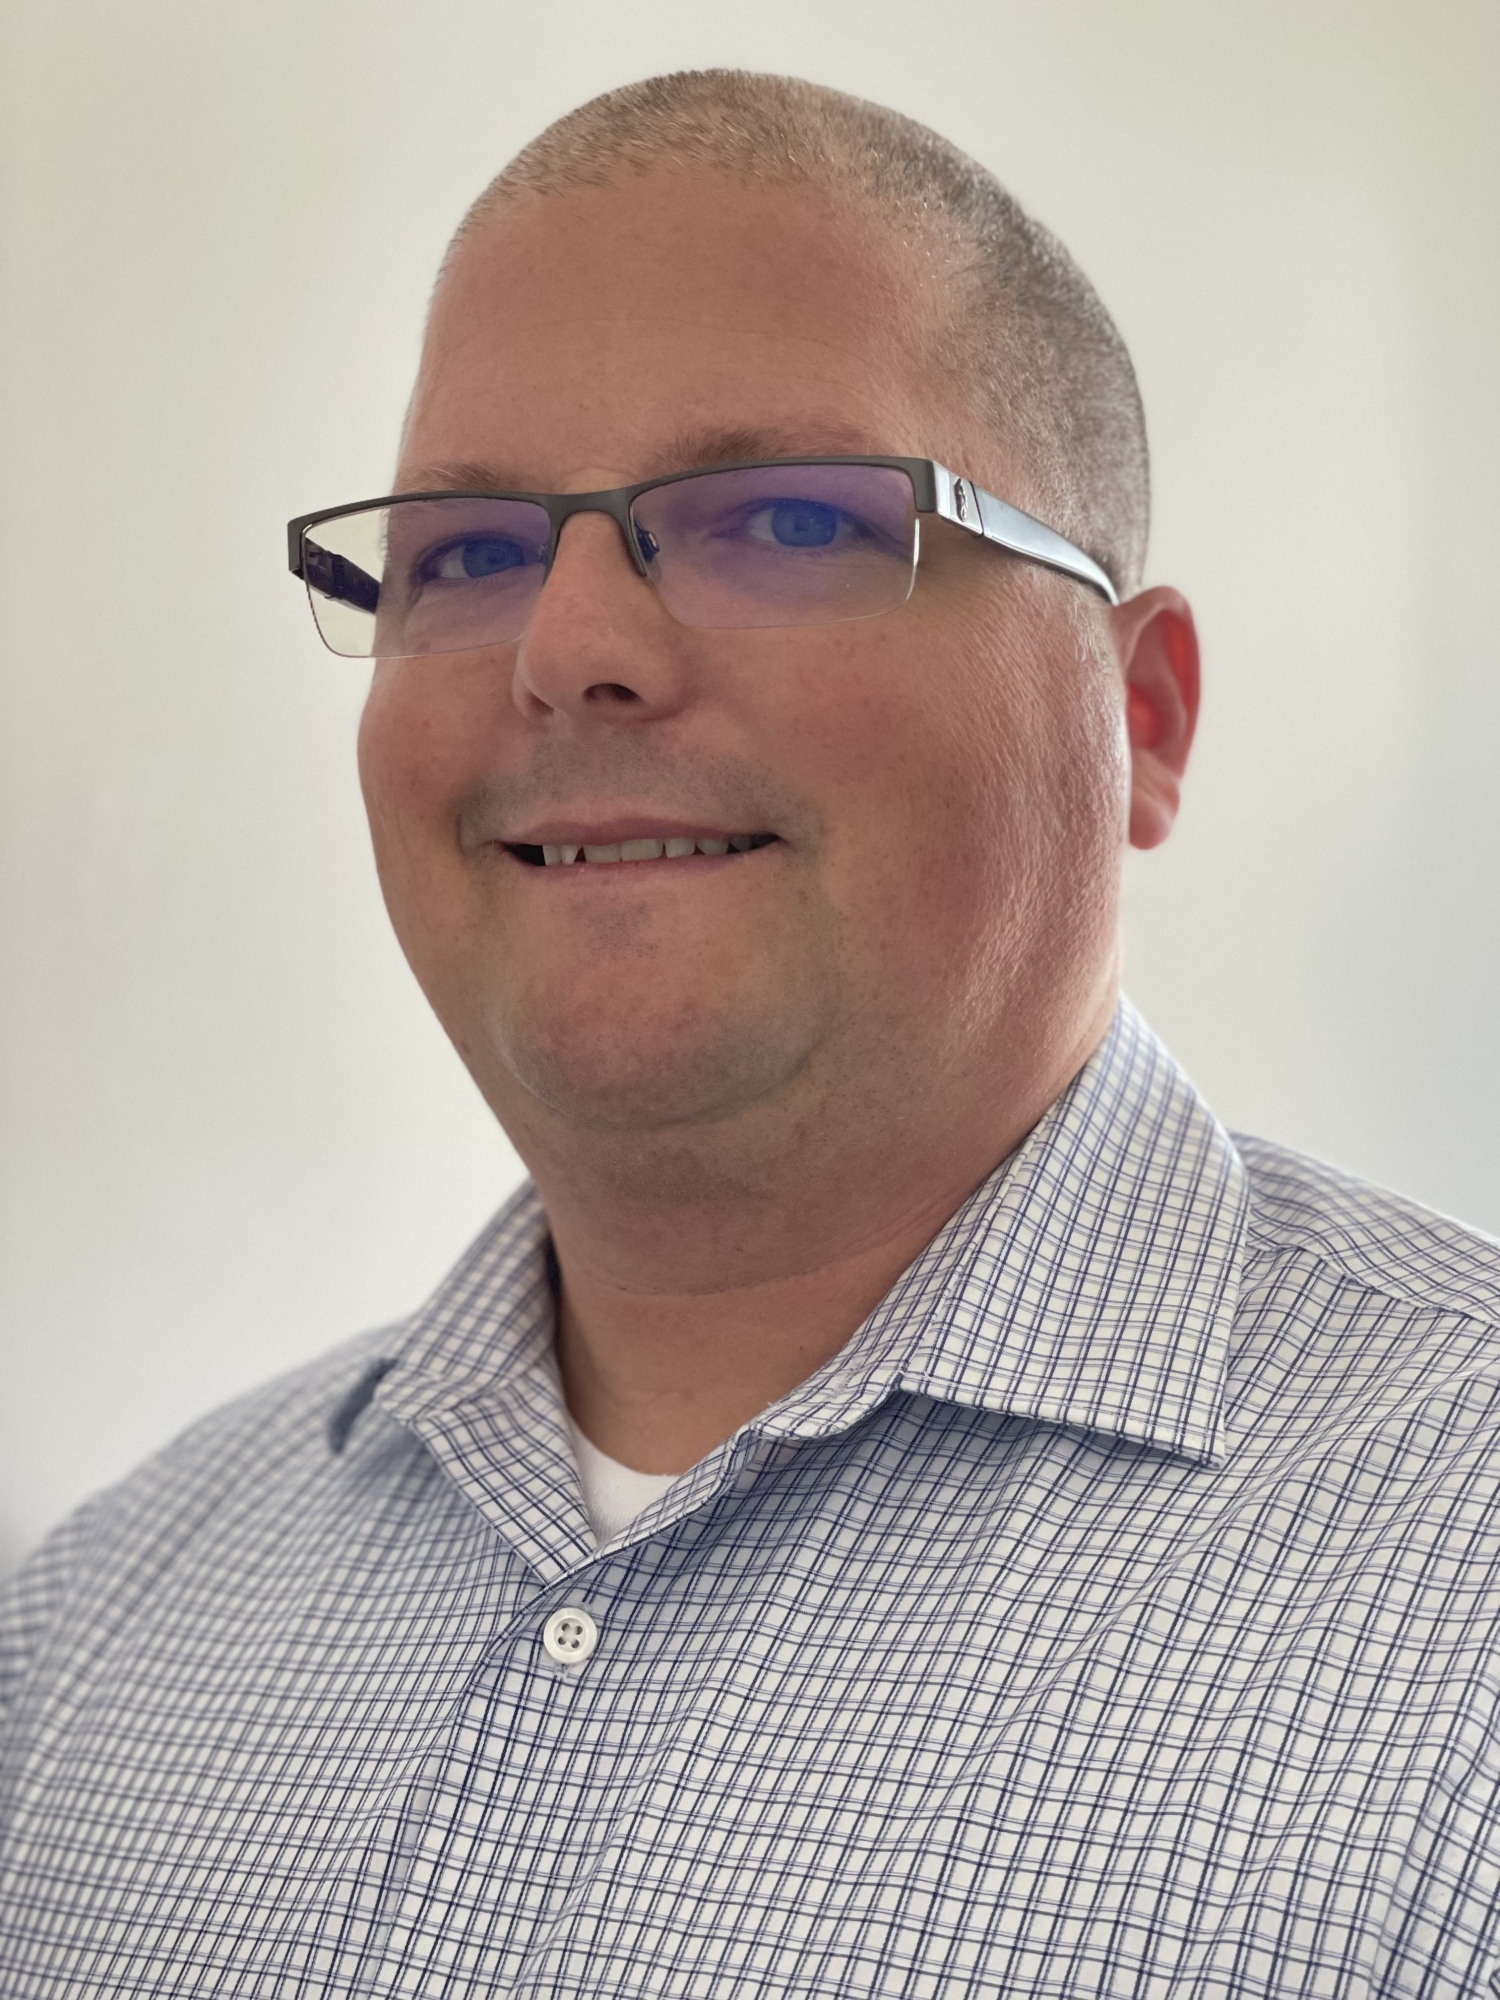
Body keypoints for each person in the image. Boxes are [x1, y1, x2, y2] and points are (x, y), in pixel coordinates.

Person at [4, 68, 1500, 2000]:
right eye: (468, 557)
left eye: (784, 519)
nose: (568, 651)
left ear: (1136, 718)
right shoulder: (89, 1634)